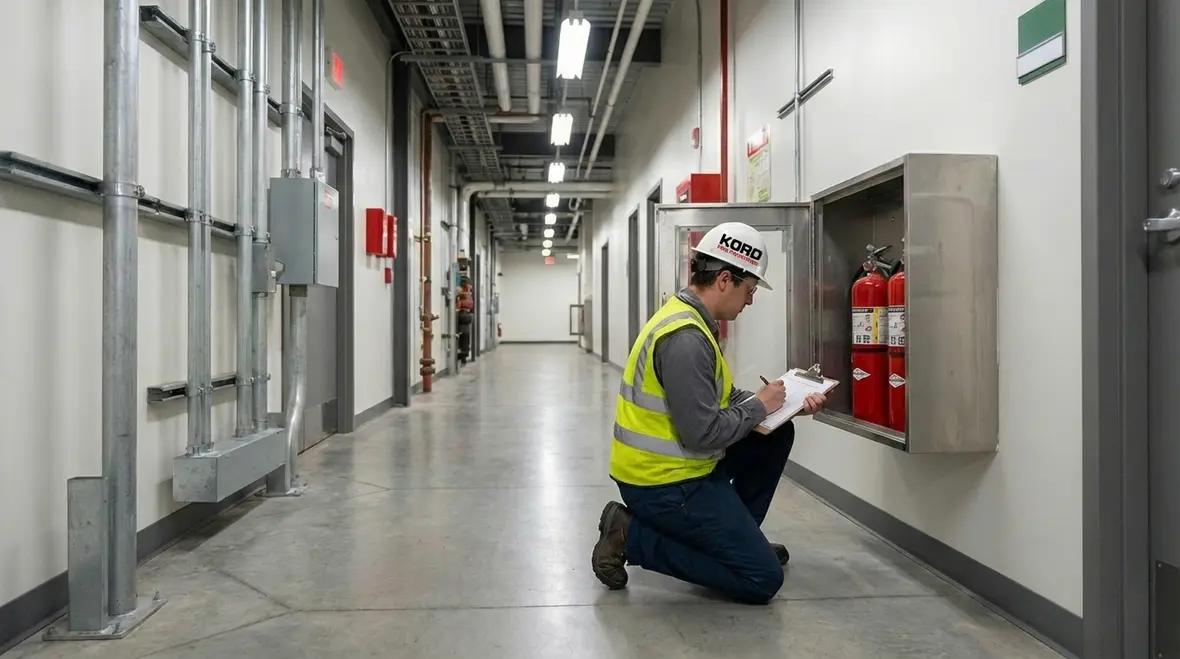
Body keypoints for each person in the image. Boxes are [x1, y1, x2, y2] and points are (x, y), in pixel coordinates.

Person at [591, 221, 826, 604]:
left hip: (684, 466)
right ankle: (630, 535)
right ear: (725, 280)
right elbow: (701, 433)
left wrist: (783, 405)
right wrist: (757, 406)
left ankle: (737, 540)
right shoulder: (685, 338)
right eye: (749, 290)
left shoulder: (694, 318)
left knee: (776, 434)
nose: (750, 301)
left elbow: (722, 397)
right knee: (761, 578)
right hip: (664, 483)